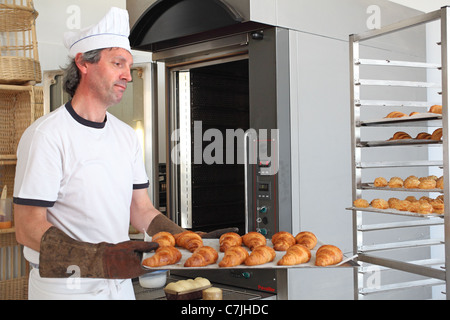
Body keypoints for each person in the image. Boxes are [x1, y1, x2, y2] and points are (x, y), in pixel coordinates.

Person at [12, 7, 189, 300]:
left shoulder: (125, 135)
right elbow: (28, 227)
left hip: (119, 285)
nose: (127, 76)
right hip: (67, 288)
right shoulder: (48, 135)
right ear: (83, 63)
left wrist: (184, 238)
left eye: (129, 67)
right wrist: (100, 259)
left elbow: (140, 209)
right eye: (118, 63)